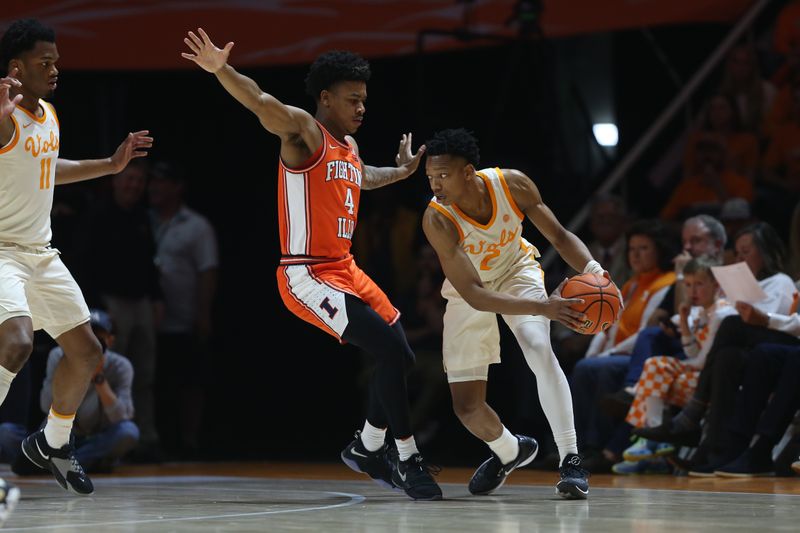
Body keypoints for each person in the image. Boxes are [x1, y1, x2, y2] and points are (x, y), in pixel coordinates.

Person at [182, 28, 442, 500]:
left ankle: (366, 446)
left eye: (365, 100)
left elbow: (362, 178)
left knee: (401, 354)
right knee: (386, 352)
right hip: (306, 273)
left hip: (345, 268)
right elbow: (260, 100)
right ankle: (406, 456)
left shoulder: (349, 148)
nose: (362, 108)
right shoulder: (303, 131)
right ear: (326, 98)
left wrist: (401, 173)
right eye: (352, 99)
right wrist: (222, 70)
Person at [421, 128, 618, 500]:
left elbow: (559, 237)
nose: (436, 185)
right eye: (431, 177)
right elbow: (477, 295)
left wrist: (596, 272)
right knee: (466, 407)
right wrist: (544, 306)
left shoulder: (511, 185)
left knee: (538, 348)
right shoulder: (437, 219)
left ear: (468, 172)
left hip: (516, 270)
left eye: (443, 175)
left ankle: (571, 461)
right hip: (471, 292)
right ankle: (512, 451)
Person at [0, 18, 152, 495]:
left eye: (57, 61)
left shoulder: (48, 113)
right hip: (2, 251)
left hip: (42, 254)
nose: (55, 68)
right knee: (19, 343)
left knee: (88, 352)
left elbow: (47, 169)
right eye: (45, 62)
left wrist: (110, 165)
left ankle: (54, 443)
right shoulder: (3, 113)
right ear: (15, 67)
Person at [148, 160, 219, 458]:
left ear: (177, 186)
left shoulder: (196, 225)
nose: (154, 187)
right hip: (151, 317)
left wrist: (203, 313)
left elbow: (208, 270)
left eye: (162, 182)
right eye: (153, 181)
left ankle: (189, 440)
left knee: (189, 381)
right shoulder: (144, 219)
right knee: (154, 380)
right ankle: (156, 438)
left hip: (184, 315)